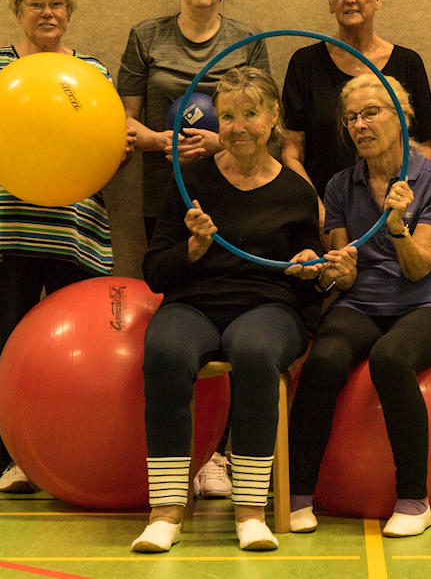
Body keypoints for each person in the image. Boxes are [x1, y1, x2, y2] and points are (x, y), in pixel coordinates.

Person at [0, 0, 133, 494]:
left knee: (81, 357)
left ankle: (72, 455)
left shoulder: (92, 72)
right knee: (14, 349)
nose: (47, 13)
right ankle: (15, 459)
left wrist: (116, 150)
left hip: (78, 235)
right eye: (35, 4)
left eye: (57, 5)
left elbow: (104, 153)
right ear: (18, 11)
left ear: (69, 13)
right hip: (8, 235)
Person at [131, 67, 322, 553]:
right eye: (229, 115)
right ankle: (166, 511)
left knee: (256, 353)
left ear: (274, 117)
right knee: (166, 351)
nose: (238, 127)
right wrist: (192, 249)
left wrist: (308, 268)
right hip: (193, 304)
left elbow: (309, 287)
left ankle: (251, 511)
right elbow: (155, 270)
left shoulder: (297, 191)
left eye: (251, 114)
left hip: (268, 306)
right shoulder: (189, 179)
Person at [117, 0, 270, 498]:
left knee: (237, 310)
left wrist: (219, 140)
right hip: (166, 191)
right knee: (176, 307)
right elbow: (122, 123)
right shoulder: (146, 37)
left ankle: (222, 457)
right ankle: (180, 452)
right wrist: (163, 141)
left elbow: (262, 117)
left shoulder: (248, 41)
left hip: (233, 186)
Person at [288, 74, 431, 538]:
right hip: (363, 301)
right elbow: (344, 270)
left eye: (372, 113)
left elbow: (418, 268)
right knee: (323, 359)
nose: (360, 125)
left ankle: (413, 499)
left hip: (429, 303)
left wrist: (398, 223)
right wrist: (330, 269)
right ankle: (299, 494)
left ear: (403, 119)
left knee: (391, 358)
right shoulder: (340, 186)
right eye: (351, 118)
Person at [282, 0, 431, 201]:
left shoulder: (408, 63)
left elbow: (424, 148)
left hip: (394, 206)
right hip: (323, 205)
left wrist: (407, 204)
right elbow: (291, 151)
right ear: (330, 3)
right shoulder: (305, 64)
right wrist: (318, 211)